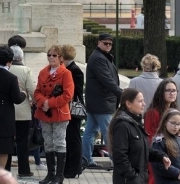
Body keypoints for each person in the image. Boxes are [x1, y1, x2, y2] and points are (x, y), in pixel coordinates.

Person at [109, 88, 171, 184]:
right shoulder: (123, 125)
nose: (144, 104)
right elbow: (120, 156)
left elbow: (143, 150)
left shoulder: (135, 123)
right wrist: (133, 176)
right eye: (140, 101)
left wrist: (161, 157)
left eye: (143, 100)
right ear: (128, 104)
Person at [33, 44, 74, 184]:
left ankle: (59, 175)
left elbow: (68, 95)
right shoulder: (43, 72)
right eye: (49, 55)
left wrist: (49, 103)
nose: (51, 57)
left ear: (61, 58)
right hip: (44, 112)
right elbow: (37, 91)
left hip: (59, 113)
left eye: (54, 55)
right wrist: (42, 102)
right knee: (48, 143)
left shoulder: (66, 73)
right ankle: (50, 174)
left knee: (59, 143)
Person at [82, 33, 123, 168]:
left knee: (90, 131)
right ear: (98, 42)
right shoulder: (98, 58)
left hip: (98, 101)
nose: (108, 46)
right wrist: (121, 93)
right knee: (108, 133)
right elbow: (107, 80)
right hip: (102, 102)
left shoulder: (101, 57)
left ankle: (86, 159)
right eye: (105, 43)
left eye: (110, 44)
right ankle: (116, 161)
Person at [9, 45, 35, 178]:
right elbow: (32, 89)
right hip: (23, 111)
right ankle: (24, 170)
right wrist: (34, 101)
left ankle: (5, 169)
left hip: (7, 111)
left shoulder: (7, 69)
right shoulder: (26, 70)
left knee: (7, 140)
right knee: (22, 141)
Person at [150, 109, 180, 184]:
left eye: (178, 124)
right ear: (165, 122)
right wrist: (177, 173)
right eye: (173, 123)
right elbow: (158, 164)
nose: (176, 127)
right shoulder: (160, 142)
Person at [62, 44, 85, 179]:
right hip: (69, 108)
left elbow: (75, 91)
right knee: (70, 138)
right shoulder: (70, 69)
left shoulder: (74, 70)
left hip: (73, 109)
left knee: (73, 138)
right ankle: (70, 167)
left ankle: (74, 168)